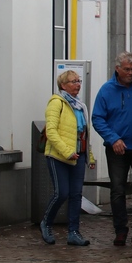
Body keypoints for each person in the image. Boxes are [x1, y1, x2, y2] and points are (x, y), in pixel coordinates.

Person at [92, 52, 132, 246]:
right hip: (117, 149)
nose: (131, 73)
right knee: (118, 190)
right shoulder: (106, 90)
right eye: (127, 69)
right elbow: (97, 118)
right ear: (117, 69)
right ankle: (120, 230)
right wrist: (113, 139)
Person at [40, 70, 96, 246]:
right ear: (63, 85)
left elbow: (84, 133)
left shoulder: (80, 105)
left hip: (78, 155)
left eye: (79, 81)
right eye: (73, 81)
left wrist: (90, 157)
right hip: (59, 156)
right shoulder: (57, 103)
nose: (78, 84)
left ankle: (73, 232)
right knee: (62, 192)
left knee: (76, 195)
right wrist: (66, 151)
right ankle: (46, 223)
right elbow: (51, 131)